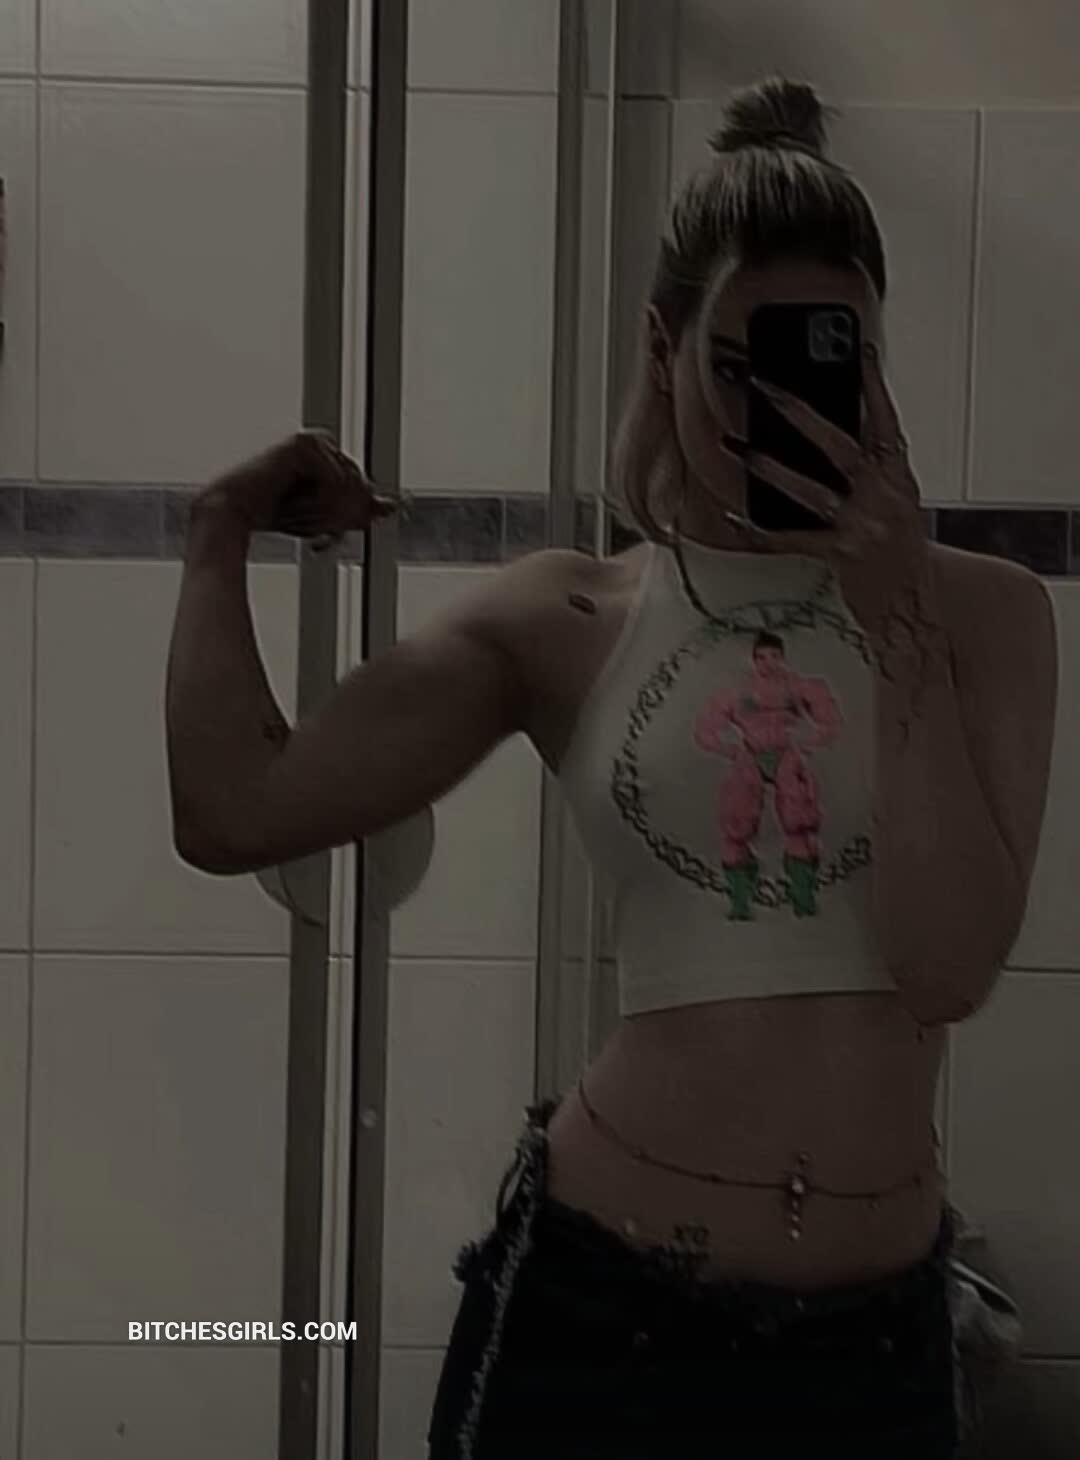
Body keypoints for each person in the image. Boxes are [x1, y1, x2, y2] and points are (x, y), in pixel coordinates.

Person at [165, 76, 1058, 1460]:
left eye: (825, 365)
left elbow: (944, 969)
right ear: (662, 349)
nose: (773, 413)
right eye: (737, 368)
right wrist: (219, 529)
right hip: (604, 1313)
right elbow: (236, 809)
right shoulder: (572, 614)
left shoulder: (985, 616)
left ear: (876, 365)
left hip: (875, 1346)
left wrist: (895, 626)